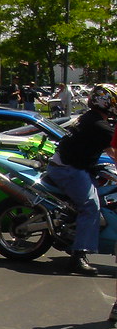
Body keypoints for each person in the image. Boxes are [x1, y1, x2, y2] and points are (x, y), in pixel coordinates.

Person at [45, 83, 117, 275]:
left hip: (72, 165)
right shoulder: (99, 125)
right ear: (106, 102)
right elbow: (114, 151)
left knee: (103, 192)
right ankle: (78, 256)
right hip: (67, 169)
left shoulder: (92, 119)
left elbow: (109, 151)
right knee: (91, 206)